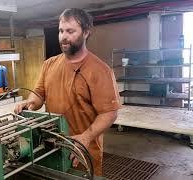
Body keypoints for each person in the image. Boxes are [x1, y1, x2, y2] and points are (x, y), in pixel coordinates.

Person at [14, 8, 121, 176]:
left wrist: (85, 138)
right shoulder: (49, 64)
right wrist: (30, 103)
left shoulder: (100, 70)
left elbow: (109, 113)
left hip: (82, 151)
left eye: (70, 31)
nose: (63, 36)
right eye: (61, 31)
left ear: (86, 33)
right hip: (52, 145)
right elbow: (39, 93)